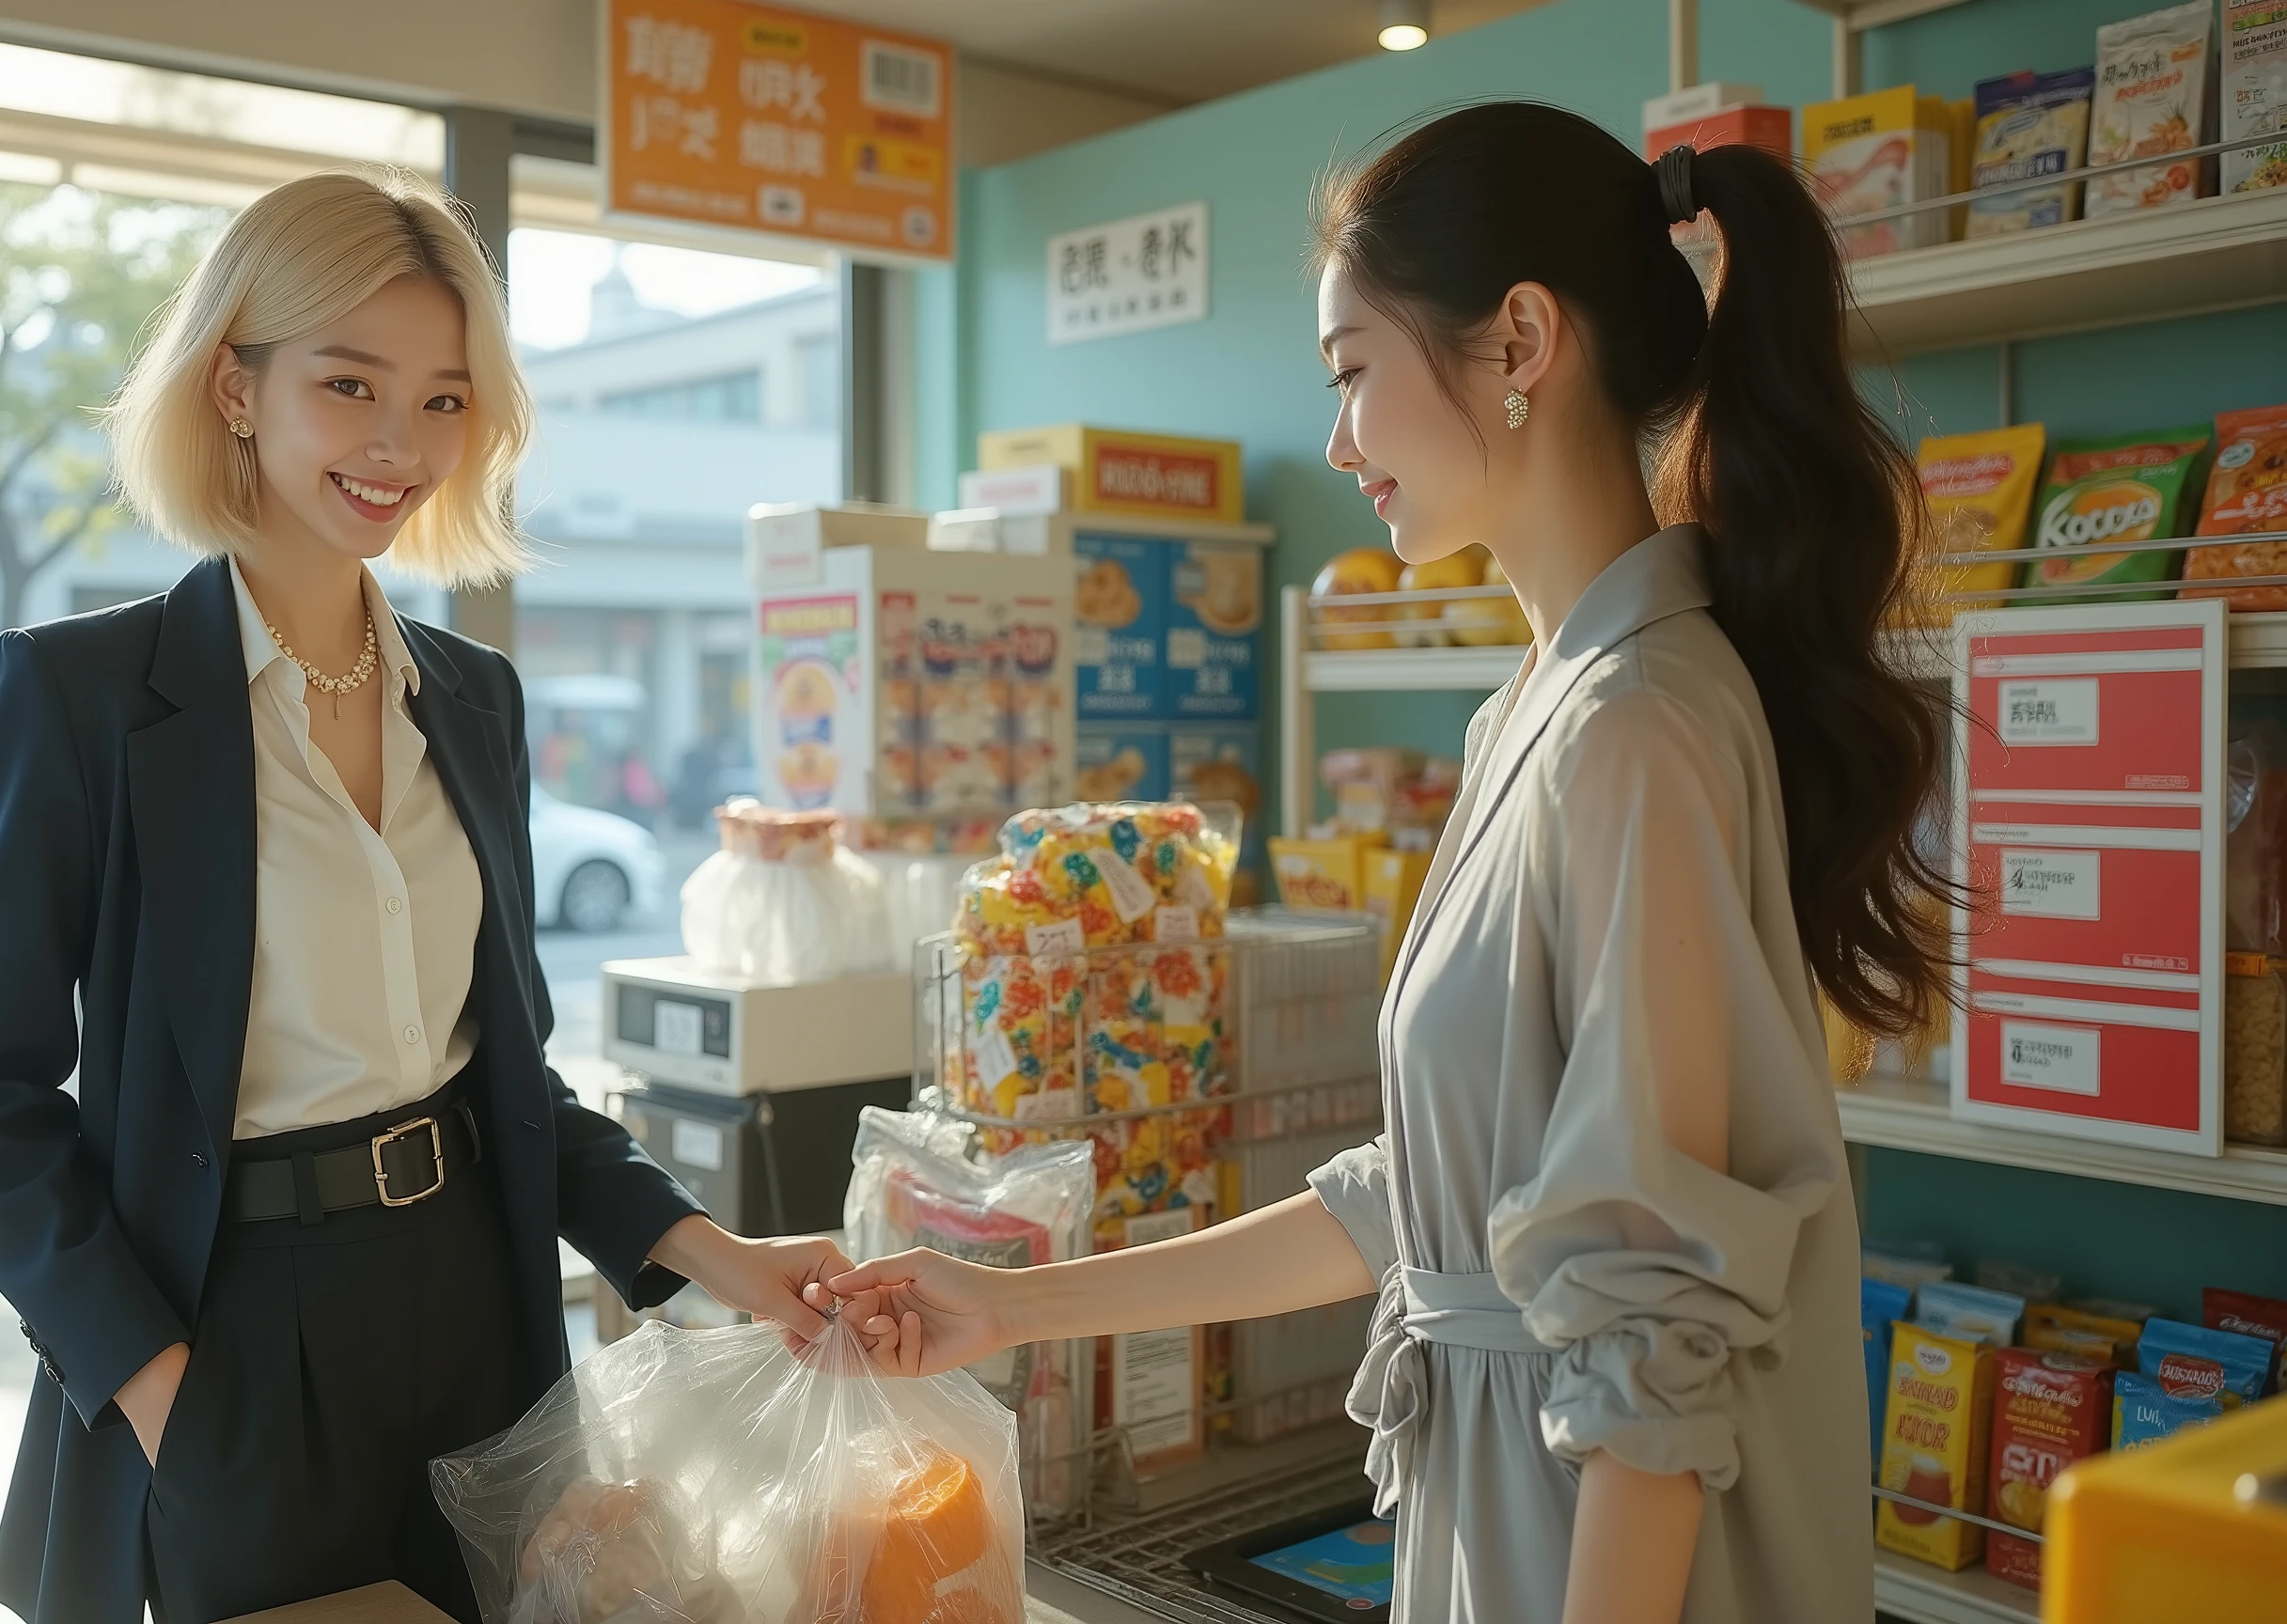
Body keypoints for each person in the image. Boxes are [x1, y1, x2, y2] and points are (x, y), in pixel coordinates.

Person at [818, 103, 1948, 1624]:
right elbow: (1428, 1201)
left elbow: (1653, 1326)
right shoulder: (1534, 712)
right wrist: (1010, 1306)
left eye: (1354, 373)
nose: (1340, 441)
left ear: (1520, 341)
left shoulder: (1633, 728)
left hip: (1592, 1548)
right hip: (1509, 1505)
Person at [0, 167, 848, 1624]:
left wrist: (722, 1259)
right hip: (229, 1334)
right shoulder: (79, 696)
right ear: (236, 387)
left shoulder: (473, 700)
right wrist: (159, 1389)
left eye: (442, 400)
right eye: (349, 384)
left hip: (479, 1321)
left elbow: (511, 1081)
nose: (399, 446)